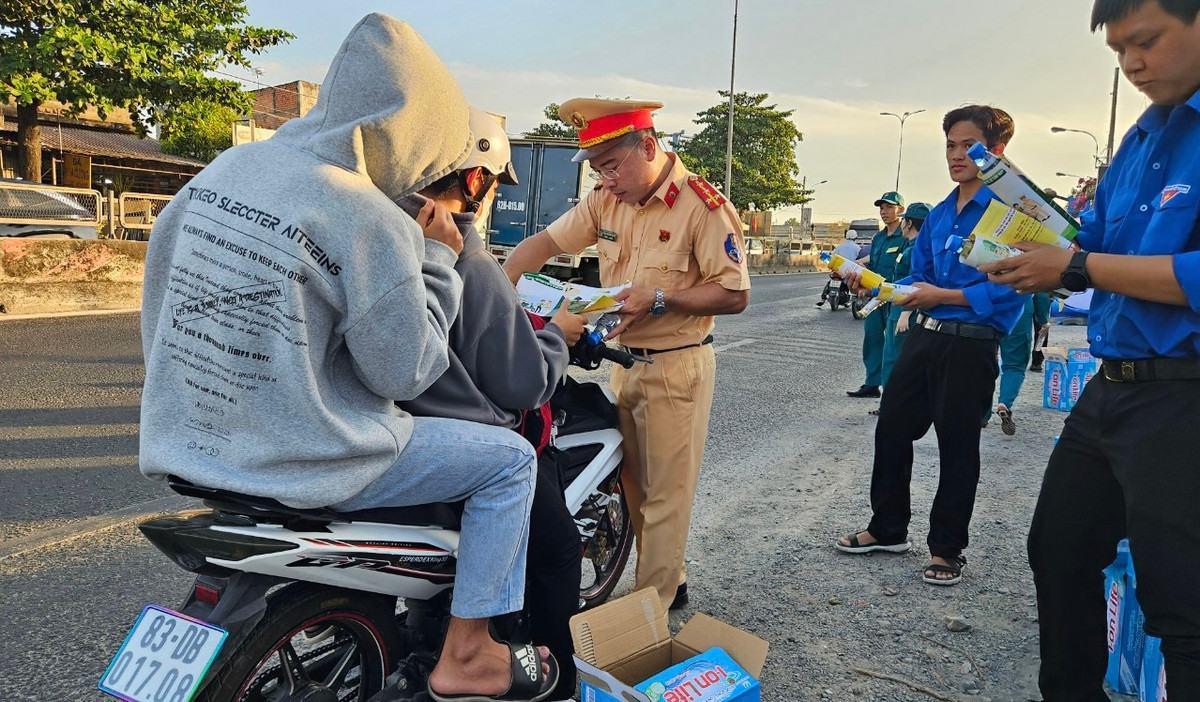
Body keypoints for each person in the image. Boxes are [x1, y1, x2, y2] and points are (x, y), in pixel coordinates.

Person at [137, 15, 556, 702]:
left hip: (188, 443)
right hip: (302, 457)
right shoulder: (368, 216)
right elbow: (407, 371)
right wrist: (439, 258)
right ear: (413, 127)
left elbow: (164, 298)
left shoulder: (225, 170)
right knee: (510, 464)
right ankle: (470, 653)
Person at [981, 0, 1200, 697]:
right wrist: (1035, 249)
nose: (1132, 64)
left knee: (1182, 603)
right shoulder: (1144, 134)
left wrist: (1074, 269)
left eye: (1146, 42)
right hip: (1113, 387)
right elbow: (1093, 239)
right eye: (1118, 52)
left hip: (1186, 395)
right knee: (1061, 551)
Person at [502, 98, 751, 613]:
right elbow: (542, 245)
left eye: (612, 165)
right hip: (623, 362)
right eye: (597, 169)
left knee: (665, 497)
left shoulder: (702, 206)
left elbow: (734, 293)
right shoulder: (605, 200)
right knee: (631, 486)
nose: (605, 179)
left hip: (677, 364)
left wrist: (660, 298)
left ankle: (649, 613)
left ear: (650, 147)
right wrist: (491, 289)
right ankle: (671, 577)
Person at [393, 106, 586, 702]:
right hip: (449, 446)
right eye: (495, 183)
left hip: (378, 430)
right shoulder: (467, 259)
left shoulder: (377, 230)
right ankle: (556, 684)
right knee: (558, 550)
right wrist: (558, 335)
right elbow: (522, 384)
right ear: (475, 180)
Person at [834, 105, 1027, 587]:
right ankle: (888, 528)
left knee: (958, 447)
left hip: (973, 344)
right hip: (925, 338)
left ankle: (947, 548)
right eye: (950, 145)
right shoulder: (940, 212)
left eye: (968, 145)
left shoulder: (1013, 216)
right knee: (893, 429)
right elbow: (917, 275)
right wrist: (878, 286)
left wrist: (942, 296)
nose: (957, 155)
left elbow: (1011, 287)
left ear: (996, 151)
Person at [847, 192, 906, 398]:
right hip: (875, 297)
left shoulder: (906, 236)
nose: (884, 212)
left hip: (896, 296)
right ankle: (872, 383)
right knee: (872, 338)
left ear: (901, 210)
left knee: (893, 345)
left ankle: (894, 389)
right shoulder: (879, 237)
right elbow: (872, 263)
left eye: (889, 207)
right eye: (881, 208)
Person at [878, 202, 931, 394]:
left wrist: (905, 313)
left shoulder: (916, 249)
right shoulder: (915, 247)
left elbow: (917, 281)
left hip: (905, 308)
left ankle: (891, 404)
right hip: (902, 306)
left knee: (894, 358)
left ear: (908, 223)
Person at [1029, 292, 1051, 372]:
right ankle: (1037, 362)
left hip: (1022, 292)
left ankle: (1016, 360)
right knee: (1042, 327)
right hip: (1041, 290)